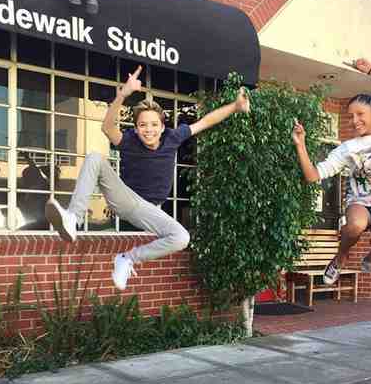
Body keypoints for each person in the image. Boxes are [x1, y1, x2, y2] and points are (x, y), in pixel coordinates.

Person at [45, 65, 251, 290]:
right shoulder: (129, 141)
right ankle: (73, 218)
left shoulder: (173, 137)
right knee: (94, 157)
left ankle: (127, 259)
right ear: (136, 128)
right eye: (143, 125)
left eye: (154, 125)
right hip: (125, 198)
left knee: (181, 238)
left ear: (162, 127)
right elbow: (107, 127)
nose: (148, 130)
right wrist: (123, 95)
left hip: (150, 209)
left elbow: (205, 122)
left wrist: (235, 106)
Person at [292, 58, 371, 284]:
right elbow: (312, 176)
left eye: (360, 114)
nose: (355, 120)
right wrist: (300, 145)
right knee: (355, 226)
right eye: (351, 116)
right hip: (360, 202)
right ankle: (340, 257)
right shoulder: (347, 149)